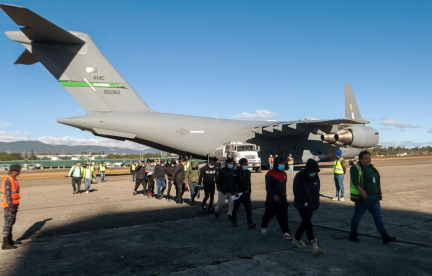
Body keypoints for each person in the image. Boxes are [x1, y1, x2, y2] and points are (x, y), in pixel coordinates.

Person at [349, 150, 397, 244]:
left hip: (374, 198)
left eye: (369, 158)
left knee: (378, 218)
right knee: (357, 216)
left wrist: (378, 194)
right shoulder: (356, 168)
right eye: (366, 158)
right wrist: (362, 191)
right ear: (361, 159)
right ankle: (353, 234)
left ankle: (384, 236)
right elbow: (355, 182)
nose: (368, 160)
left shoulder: (372, 168)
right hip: (363, 199)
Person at [292, 159, 323, 257]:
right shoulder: (300, 176)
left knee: (305, 222)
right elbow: (297, 191)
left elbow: (316, 191)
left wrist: (316, 203)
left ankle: (296, 238)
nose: (313, 173)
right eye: (312, 171)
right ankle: (314, 246)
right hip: (302, 204)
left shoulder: (315, 176)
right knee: (308, 224)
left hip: (312, 204)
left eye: (315, 172)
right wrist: (304, 202)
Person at [261, 156, 292, 240]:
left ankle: (285, 232)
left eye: (283, 163)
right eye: (280, 164)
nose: (282, 165)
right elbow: (268, 187)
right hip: (272, 200)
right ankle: (263, 227)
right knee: (268, 215)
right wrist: (273, 195)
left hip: (282, 199)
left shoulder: (284, 173)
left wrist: (284, 197)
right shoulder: (270, 174)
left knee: (283, 216)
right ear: (276, 164)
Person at [231, 158, 256, 229]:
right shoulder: (236, 172)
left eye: (246, 164)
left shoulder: (248, 172)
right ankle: (234, 221)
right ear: (241, 165)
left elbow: (249, 182)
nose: (246, 166)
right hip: (238, 194)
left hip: (246, 193)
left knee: (248, 208)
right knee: (235, 208)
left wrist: (249, 190)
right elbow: (233, 183)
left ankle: (250, 222)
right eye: (244, 164)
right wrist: (234, 191)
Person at [2, 164, 21, 250]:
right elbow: (7, 195)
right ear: (15, 171)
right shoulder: (9, 180)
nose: (19, 172)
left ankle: (9, 240)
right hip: (10, 206)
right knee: (8, 224)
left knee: (11, 222)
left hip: (14, 205)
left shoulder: (14, 180)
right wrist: (11, 207)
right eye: (19, 170)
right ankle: (5, 244)